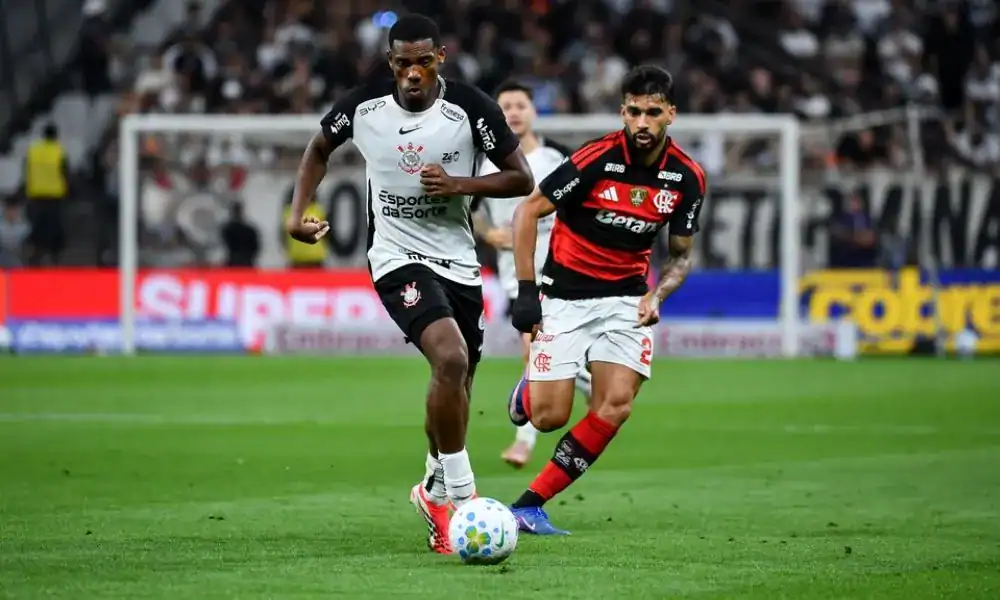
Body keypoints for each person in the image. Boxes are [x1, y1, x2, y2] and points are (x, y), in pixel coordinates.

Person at [284, 14, 533, 554]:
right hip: (395, 256)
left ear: (439, 57)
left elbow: (520, 177)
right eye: (403, 63)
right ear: (390, 62)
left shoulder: (470, 109)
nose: (413, 73)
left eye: (423, 61)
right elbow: (319, 149)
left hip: (460, 261)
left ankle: (432, 487)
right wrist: (297, 211)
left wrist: (460, 184)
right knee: (450, 360)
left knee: (457, 388)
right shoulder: (364, 106)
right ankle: (464, 498)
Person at [506, 65, 707, 535]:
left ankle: (530, 504)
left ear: (670, 114)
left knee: (615, 405)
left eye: (652, 112)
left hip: (626, 300)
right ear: (623, 111)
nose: (642, 122)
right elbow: (527, 210)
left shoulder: (686, 178)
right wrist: (525, 292)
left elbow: (680, 257)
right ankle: (529, 391)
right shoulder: (594, 159)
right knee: (549, 416)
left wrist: (659, 294)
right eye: (634, 111)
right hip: (565, 297)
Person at [472, 79, 592, 469]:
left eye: (521, 104)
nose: (514, 112)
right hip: (515, 275)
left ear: (533, 111)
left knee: (536, 346)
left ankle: (523, 440)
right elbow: (467, 208)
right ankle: (591, 384)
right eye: (505, 106)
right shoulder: (485, 162)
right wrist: (488, 233)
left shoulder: (556, 159)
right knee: (545, 348)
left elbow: (581, 206)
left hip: (559, 270)